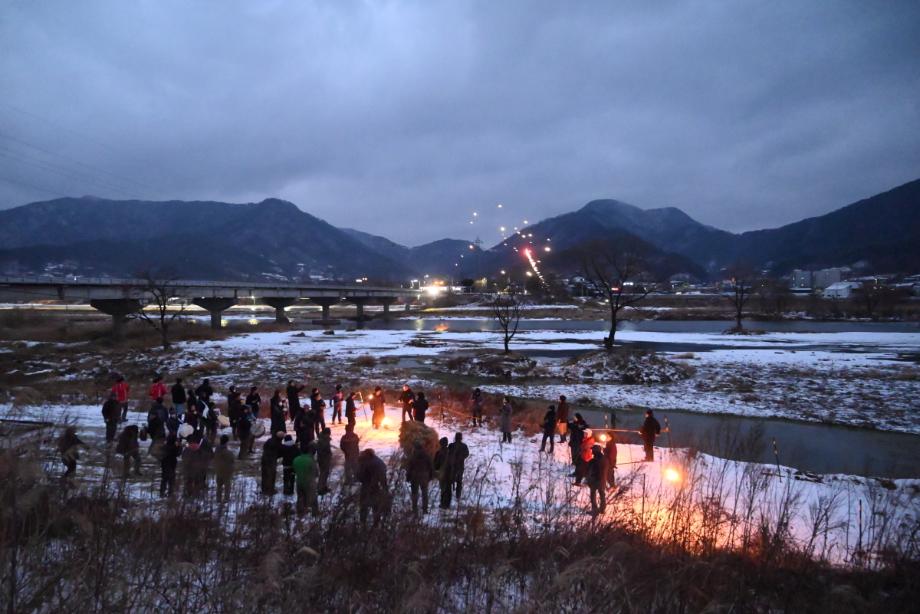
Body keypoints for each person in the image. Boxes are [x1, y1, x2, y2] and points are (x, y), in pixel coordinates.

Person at [356, 448, 388, 527]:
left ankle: (362, 524)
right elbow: (383, 474)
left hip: (366, 486)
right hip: (376, 487)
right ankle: (376, 524)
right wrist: (385, 487)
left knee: (363, 506)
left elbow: (359, 476)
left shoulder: (364, 462)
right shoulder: (379, 461)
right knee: (376, 506)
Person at [406, 441, 434, 516]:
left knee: (414, 493)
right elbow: (431, 467)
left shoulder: (413, 456)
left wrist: (408, 477)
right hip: (424, 476)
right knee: (424, 493)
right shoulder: (427, 455)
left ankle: (415, 510)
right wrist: (431, 476)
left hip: (414, 477)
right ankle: (425, 510)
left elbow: (410, 468)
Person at [293, 443, 319, 516]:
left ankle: (300, 512)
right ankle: (315, 513)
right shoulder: (311, 460)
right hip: (309, 482)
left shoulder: (296, 459)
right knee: (313, 498)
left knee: (300, 497)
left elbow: (295, 470)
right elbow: (316, 473)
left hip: (299, 482)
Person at [447, 433, 470, 503]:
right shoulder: (464, 446)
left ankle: (449, 496)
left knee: (450, 481)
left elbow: (447, 454)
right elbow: (467, 454)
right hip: (460, 466)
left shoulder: (451, 445)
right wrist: (461, 457)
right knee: (459, 482)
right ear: (461, 438)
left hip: (452, 466)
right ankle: (458, 496)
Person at [586, 444, 609, 515]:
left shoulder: (595, 460)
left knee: (593, 494)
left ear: (596, 451)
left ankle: (594, 510)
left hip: (596, 480)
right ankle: (602, 509)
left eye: (593, 450)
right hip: (602, 480)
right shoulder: (604, 459)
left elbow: (593, 470)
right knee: (602, 494)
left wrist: (590, 479)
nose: (591, 451)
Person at [213, 435, 235, 504]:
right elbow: (232, 460)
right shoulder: (227, 452)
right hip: (226, 471)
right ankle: (226, 499)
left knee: (219, 486)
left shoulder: (216, 451)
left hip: (218, 470)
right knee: (227, 486)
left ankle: (218, 498)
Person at [434, 437, 451, 509]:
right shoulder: (450, 452)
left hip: (442, 473)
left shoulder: (439, 453)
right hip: (450, 473)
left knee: (443, 489)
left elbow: (435, 465)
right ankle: (447, 504)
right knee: (448, 489)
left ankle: (443, 504)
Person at [316, 427, 332, 495]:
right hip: (323, 459)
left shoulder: (323, 439)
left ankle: (324, 486)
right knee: (323, 474)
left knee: (325, 474)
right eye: (328, 434)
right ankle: (320, 489)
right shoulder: (323, 441)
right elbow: (324, 450)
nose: (329, 435)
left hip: (324, 459)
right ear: (326, 434)